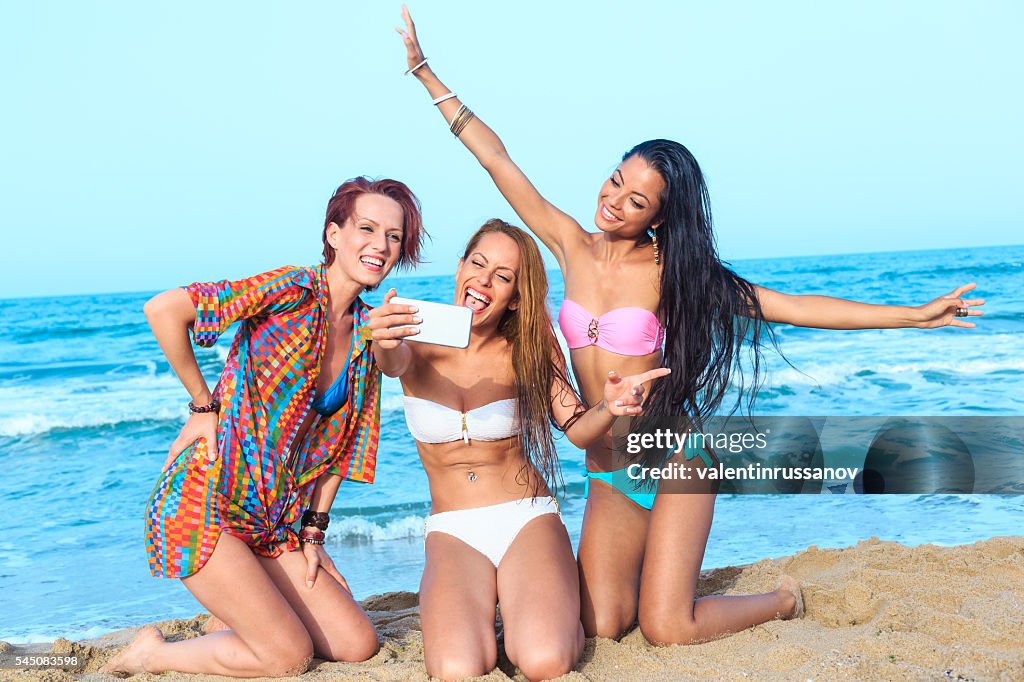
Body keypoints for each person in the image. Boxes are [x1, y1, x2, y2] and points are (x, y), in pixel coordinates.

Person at [395, 7, 986, 646]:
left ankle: (782, 600)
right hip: (606, 463)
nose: (613, 202)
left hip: (673, 457)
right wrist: (428, 75)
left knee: (667, 628)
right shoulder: (570, 245)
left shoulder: (674, 273)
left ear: (659, 215)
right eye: (616, 181)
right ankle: (660, 573)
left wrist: (912, 316)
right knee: (598, 624)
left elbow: (788, 304)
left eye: (636, 201)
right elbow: (498, 161)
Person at [101, 177, 426, 677]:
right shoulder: (291, 290)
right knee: (287, 656)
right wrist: (202, 406)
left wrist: (313, 534)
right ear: (334, 234)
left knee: (356, 642)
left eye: (394, 236)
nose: (381, 245)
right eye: (367, 228)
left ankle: (230, 621)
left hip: (268, 523)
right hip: (202, 503)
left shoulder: (368, 329)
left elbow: (346, 449)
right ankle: (154, 654)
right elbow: (165, 310)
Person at [369, 219, 669, 681]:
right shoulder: (413, 334)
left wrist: (610, 407)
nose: (484, 282)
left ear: (516, 296)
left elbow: (575, 427)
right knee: (455, 669)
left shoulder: (528, 344)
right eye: (478, 263)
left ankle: (531, 602)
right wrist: (384, 339)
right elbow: (393, 363)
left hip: (525, 517)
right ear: (460, 266)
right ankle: (510, 606)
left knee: (545, 660)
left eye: (503, 277)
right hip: (453, 530)